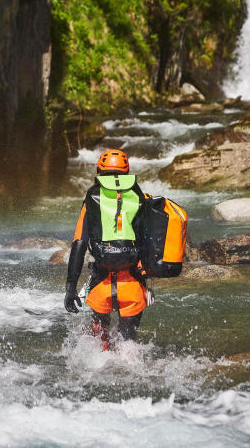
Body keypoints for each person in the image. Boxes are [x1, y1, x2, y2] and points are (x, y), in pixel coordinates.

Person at [64, 149, 149, 350]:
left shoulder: (92, 197)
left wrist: (70, 287)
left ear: (99, 171)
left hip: (101, 284)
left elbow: (79, 243)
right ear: (126, 171)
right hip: (132, 285)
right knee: (128, 346)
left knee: (100, 343)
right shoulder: (138, 197)